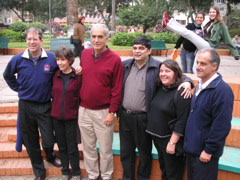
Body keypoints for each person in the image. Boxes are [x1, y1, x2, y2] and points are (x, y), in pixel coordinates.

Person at [119, 36, 192, 180]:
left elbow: (176, 74)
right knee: (125, 152)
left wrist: (189, 82)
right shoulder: (125, 65)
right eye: (135, 48)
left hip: (144, 118)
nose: (137, 51)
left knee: (144, 154)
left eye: (141, 48)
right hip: (125, 116)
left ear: (149, 51)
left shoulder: (156, 67)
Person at [3, 27, 61, 180]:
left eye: (35, 39)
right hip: (26, 106)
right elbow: (7, 75)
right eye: (29, 39)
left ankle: (50, 156)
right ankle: (39, 171)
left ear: (41, 41)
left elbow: (61, 73)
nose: (32, 42)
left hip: (45, 105)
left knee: (49, 138)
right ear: (26, 40)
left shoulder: (51, 58)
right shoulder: (18, 59)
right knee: (30, 140)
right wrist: (19, 88)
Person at [78, 24, 124, 180]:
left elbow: (117, 89)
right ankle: (92, 175)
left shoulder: (115, 59)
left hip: (104, 112)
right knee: (88, 148)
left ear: (106, 38)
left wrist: (112, 112)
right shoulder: (84, 54)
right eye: (93, 36)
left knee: (105, 150)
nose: (96, 40)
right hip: (83, 110)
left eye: (100, 37)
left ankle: (106, 176)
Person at [184, 48, 234, 180]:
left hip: (205, 154)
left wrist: (209, 150)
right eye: (197, 63)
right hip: (192, 150)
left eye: (203, 64)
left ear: (214, 66)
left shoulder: (222, 91)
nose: (198, 67)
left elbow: (221, 125)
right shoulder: (200, 85)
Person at [146, 60, 191, 180]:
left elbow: (182, 120)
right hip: (158, 138)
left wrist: (172, 143)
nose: (163, 74)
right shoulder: (160, 86)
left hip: (170, 140)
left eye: (167, 71)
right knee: (165, 170)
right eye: (161, 71)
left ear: (176, 73)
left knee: (173, 174)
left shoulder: (182, 92)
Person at [162, 6, 240, 61]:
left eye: (214, 12)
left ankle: (168, 22)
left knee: (189, 33)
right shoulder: (209, 23)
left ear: (217, 13)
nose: (211, 13)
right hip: (203, 46)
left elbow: (228, 40)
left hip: (210, 46)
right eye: (210, 12)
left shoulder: (221, 25)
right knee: (196, 67)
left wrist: (235, 54)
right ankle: (168, 22)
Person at [51, 46, 82, 180]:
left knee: (72, 147)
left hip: (71, 117)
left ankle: (75, 172)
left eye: (63, 60)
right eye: (58, 59)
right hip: (56, 117)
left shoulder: (77, 75)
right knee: (62, 147)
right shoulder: (55, 75)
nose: (60, 63)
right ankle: (65, 171)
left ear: (70, 60)